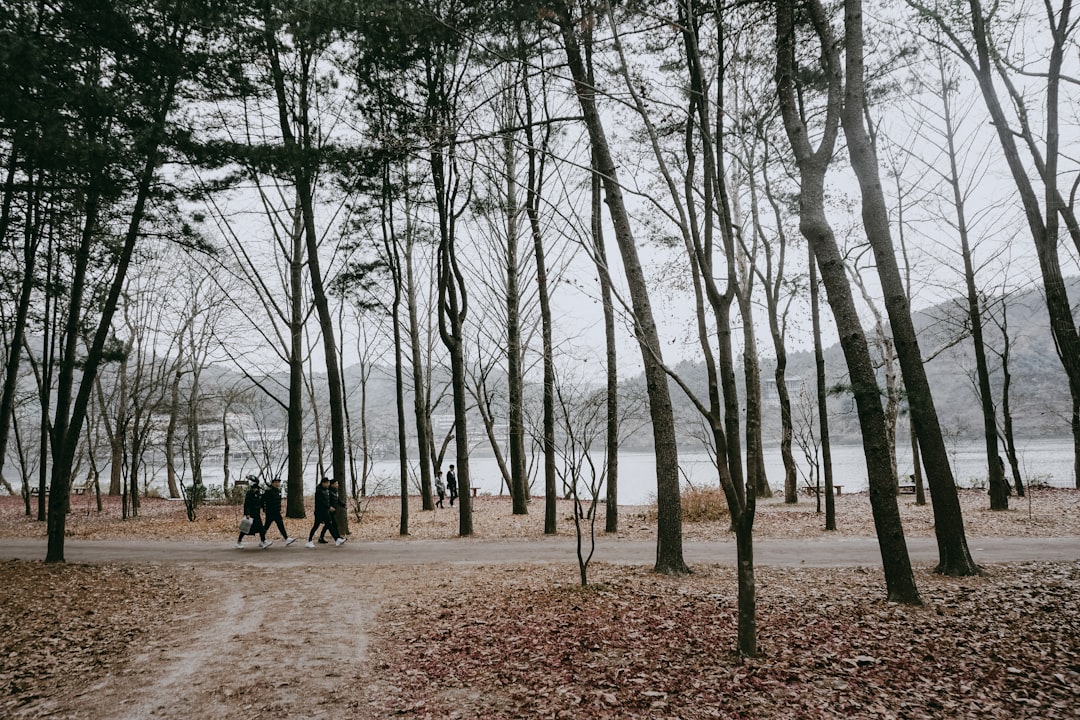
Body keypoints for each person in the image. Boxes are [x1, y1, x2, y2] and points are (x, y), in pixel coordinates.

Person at [307, 476, 344, 547]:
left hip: (325, 512)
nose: (328, 484)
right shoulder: (319, 491)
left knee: (329, 524)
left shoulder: (326, 490)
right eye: (327, 483)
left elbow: (328, 501)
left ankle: (337, 540)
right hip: (319, 512)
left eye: (329, 483)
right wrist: (329, 507)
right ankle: (309, 540)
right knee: (316, 526)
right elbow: (321, 502)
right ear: (323, 483)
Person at [236, 477, 272, 549]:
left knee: (261, 528)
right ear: (252, 488)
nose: (256, 489)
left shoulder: (258, 494)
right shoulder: (249, 494)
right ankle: (239, 541)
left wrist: (263, 508)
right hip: (251, 514)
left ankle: (263, 541)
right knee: (245, 529)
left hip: (257, 514)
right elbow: (246, 504)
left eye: (257, 488)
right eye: (255, 488)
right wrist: (247, 513)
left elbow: (260, 502)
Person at [261, 477, 296, 546]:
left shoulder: (278, 491)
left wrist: (279, 509)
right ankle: (262, 540)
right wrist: (264, 509)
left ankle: (286, 538)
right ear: (273, 483)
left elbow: (278, 501)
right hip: (270, 512)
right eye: (276, 482)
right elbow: (262, 500)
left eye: (278, 482)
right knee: (266, 526)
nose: (278, 484)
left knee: (280, 525)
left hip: (277, 512)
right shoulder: (268, 491)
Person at [318, 478, 347, 543]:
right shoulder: (329, 492)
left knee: (328, 525)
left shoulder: (334, 491)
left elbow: (337, 500)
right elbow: (325, 501)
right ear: (332, 485)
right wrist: (328, 507)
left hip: (332, 511)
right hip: (328, 511)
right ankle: (337, 538)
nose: (337, 485)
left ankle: (322, 537)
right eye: (336, 483)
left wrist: (343, 505)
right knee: (331, 524)